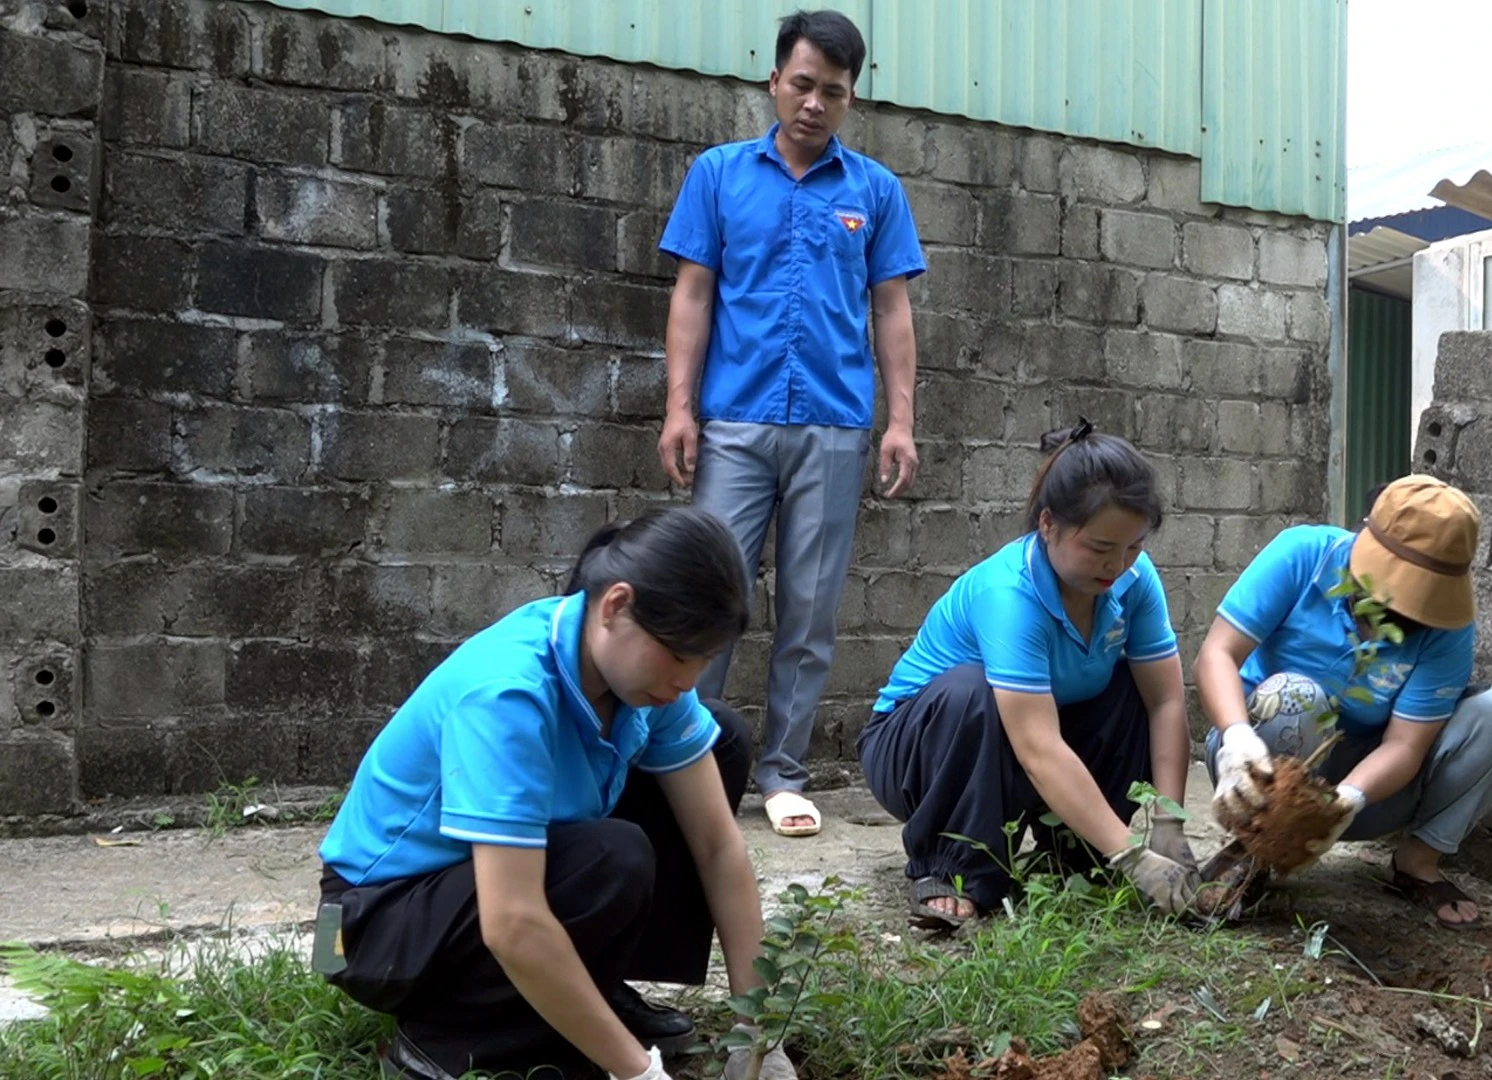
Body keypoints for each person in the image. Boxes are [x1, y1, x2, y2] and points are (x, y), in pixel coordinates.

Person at [312, 508, 795, 1080]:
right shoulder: (507, 695)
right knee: (610, 858)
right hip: (356, 932)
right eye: (681, 656)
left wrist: (757, 1036)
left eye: (704, 661)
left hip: (462, 897)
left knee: (720, 742)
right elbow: (511, 919)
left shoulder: (639, 679)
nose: (688, 680)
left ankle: (588, 990)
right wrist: (638, 1072)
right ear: (616, 606)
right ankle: (450, 1042)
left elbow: (717, 846)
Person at [656, 8, 926, 840]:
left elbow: (892, 309)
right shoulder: (718, 174)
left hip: (834, 427)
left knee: (809, 609)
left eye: (833, 92)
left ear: (851, 99)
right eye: (802, 84)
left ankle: (781, 773)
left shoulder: (875, 192)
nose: (814, 103)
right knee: (709, 597)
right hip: (733, 423)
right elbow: (693, 295)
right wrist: (678, 408)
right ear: (774, 81)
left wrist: (900, 421)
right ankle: (690, 765)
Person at [858, 420, 1201, 928]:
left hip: (1027, 745)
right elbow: (1038, 746)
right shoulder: (1009, 594)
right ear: (1048, 524)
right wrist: (1133, 854)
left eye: (1134, 547)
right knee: (973, 692)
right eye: (1100, 548)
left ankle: (1078, 854)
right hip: (922, 749)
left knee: (1131, 688)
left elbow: (1166, 703)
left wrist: (1169, 821)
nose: (1118, 564)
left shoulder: (1133, 579)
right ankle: (954, 870)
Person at [1196, 474, 1492, 929]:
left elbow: (1406, 744)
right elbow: (1217, 653)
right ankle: (1258, 852)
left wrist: (1347, 798)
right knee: (1295, 695)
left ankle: (1417, 864)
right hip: (1256, 763)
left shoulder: (1447, 630)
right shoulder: (1303, 555)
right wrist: (1236, 736)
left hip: (1371, 787)